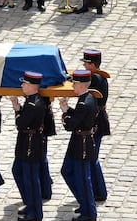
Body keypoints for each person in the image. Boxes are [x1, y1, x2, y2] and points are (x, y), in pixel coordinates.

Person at [59, 70, 97, 221]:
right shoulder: (88, 98)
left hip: (82, 145)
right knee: (66, 171)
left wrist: (64, 113)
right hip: (77, 142)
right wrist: (67, 109)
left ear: (80, 85)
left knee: (83, 179)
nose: (72, 85)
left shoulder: (84, 102)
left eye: (74, 83)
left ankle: (89, 213)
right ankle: (85, 202)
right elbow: (78, 117)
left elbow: (71, 124)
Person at [10, 71, 46, 221]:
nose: (21, 86)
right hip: (26, 143)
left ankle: (35, 213)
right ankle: (30, 203)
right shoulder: (31, 100)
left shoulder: (33, 103)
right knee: (18, 171)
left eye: (24, 83)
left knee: (31, 178)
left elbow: (21, 124)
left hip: (31, 144)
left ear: (31, 86)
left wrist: (17, 110)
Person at [80, 50, 110, 202]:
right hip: (97, 119)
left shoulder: (96, 79)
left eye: (86, 63)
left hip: (96, 121)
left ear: (92, 65)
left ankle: (100, 191)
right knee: (92, 157)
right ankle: (97, 190)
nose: (84, 65)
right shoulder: (97, 76)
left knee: (93, 158)